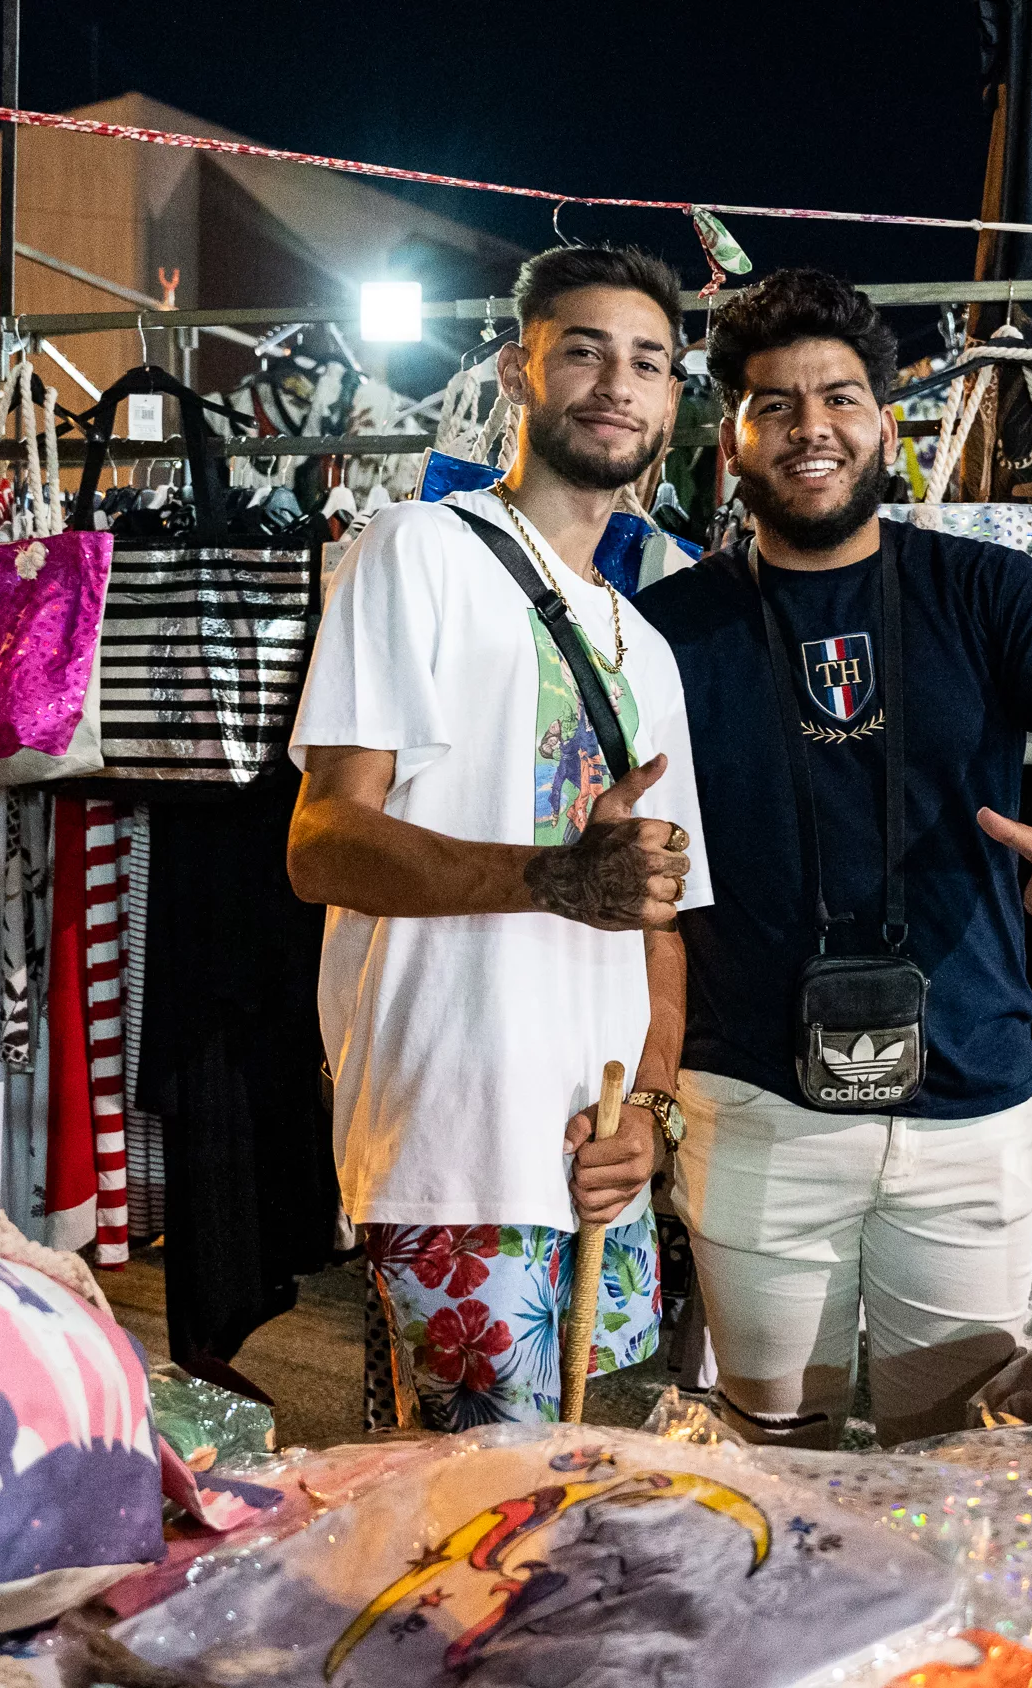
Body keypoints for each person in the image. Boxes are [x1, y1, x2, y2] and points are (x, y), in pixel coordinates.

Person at [636, 269, 1032, 1447]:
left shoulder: (982, 589)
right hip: (755, 1107)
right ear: (729, 439)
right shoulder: (670, 629)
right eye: (773, 406)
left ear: (888, 423)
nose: (810, 427)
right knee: (775, 1453)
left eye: (838, 397)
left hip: (969, 1102)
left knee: (965, 1454)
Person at [287, 244, 708, 1428]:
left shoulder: (647, 645)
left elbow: (662, 922)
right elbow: (322, 842)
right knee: (462, 1540)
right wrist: (553, 876)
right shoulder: (415, 552)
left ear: (673, 404)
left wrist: (654, 1119)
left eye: (647, 362)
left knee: (576, 1528)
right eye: (582, 350)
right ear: (521, 372)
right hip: (454, 1145)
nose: (616, 383)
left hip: (598, 1167)